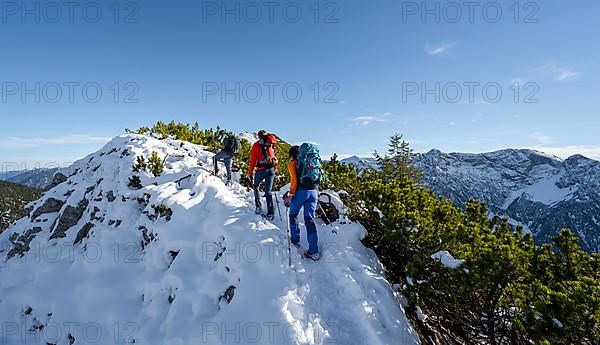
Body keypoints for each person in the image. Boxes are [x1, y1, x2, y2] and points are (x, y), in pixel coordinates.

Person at [284, 144, 324, 260]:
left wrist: (290, 196)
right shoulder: (310, 162)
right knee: (309, 220)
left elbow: (294, 181)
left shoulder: (293, 164)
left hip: (301, 193)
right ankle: (314, 251)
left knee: (293, 215)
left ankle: (295, 241)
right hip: (313, 192)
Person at [248, 130, 278, 220]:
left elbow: (253, 161)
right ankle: (270, 213)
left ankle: (258, 207)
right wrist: (274, 170)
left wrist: (250, 173)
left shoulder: (256, 145)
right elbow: (275, 157)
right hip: (271, 169)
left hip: (261, 170)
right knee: (268, 191)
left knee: (256, 186)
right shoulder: (271, 143)